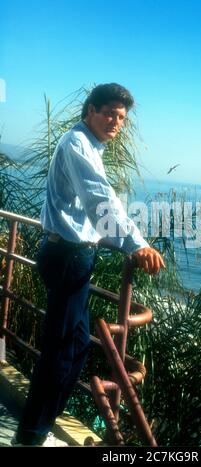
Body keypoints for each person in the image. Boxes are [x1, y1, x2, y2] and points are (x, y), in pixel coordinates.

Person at [12, 83, 165, 446]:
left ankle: (40, 426)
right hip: (67, 257)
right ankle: (31, 436)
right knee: (62, 351)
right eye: (109, 113)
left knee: (76, 346)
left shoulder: (88, 145)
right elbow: (101, 200)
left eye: (121, 117)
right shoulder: (76, 144)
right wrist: (137, 245)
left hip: (72, 254)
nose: (116, 122)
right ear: (90, 111)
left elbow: (93, 207)